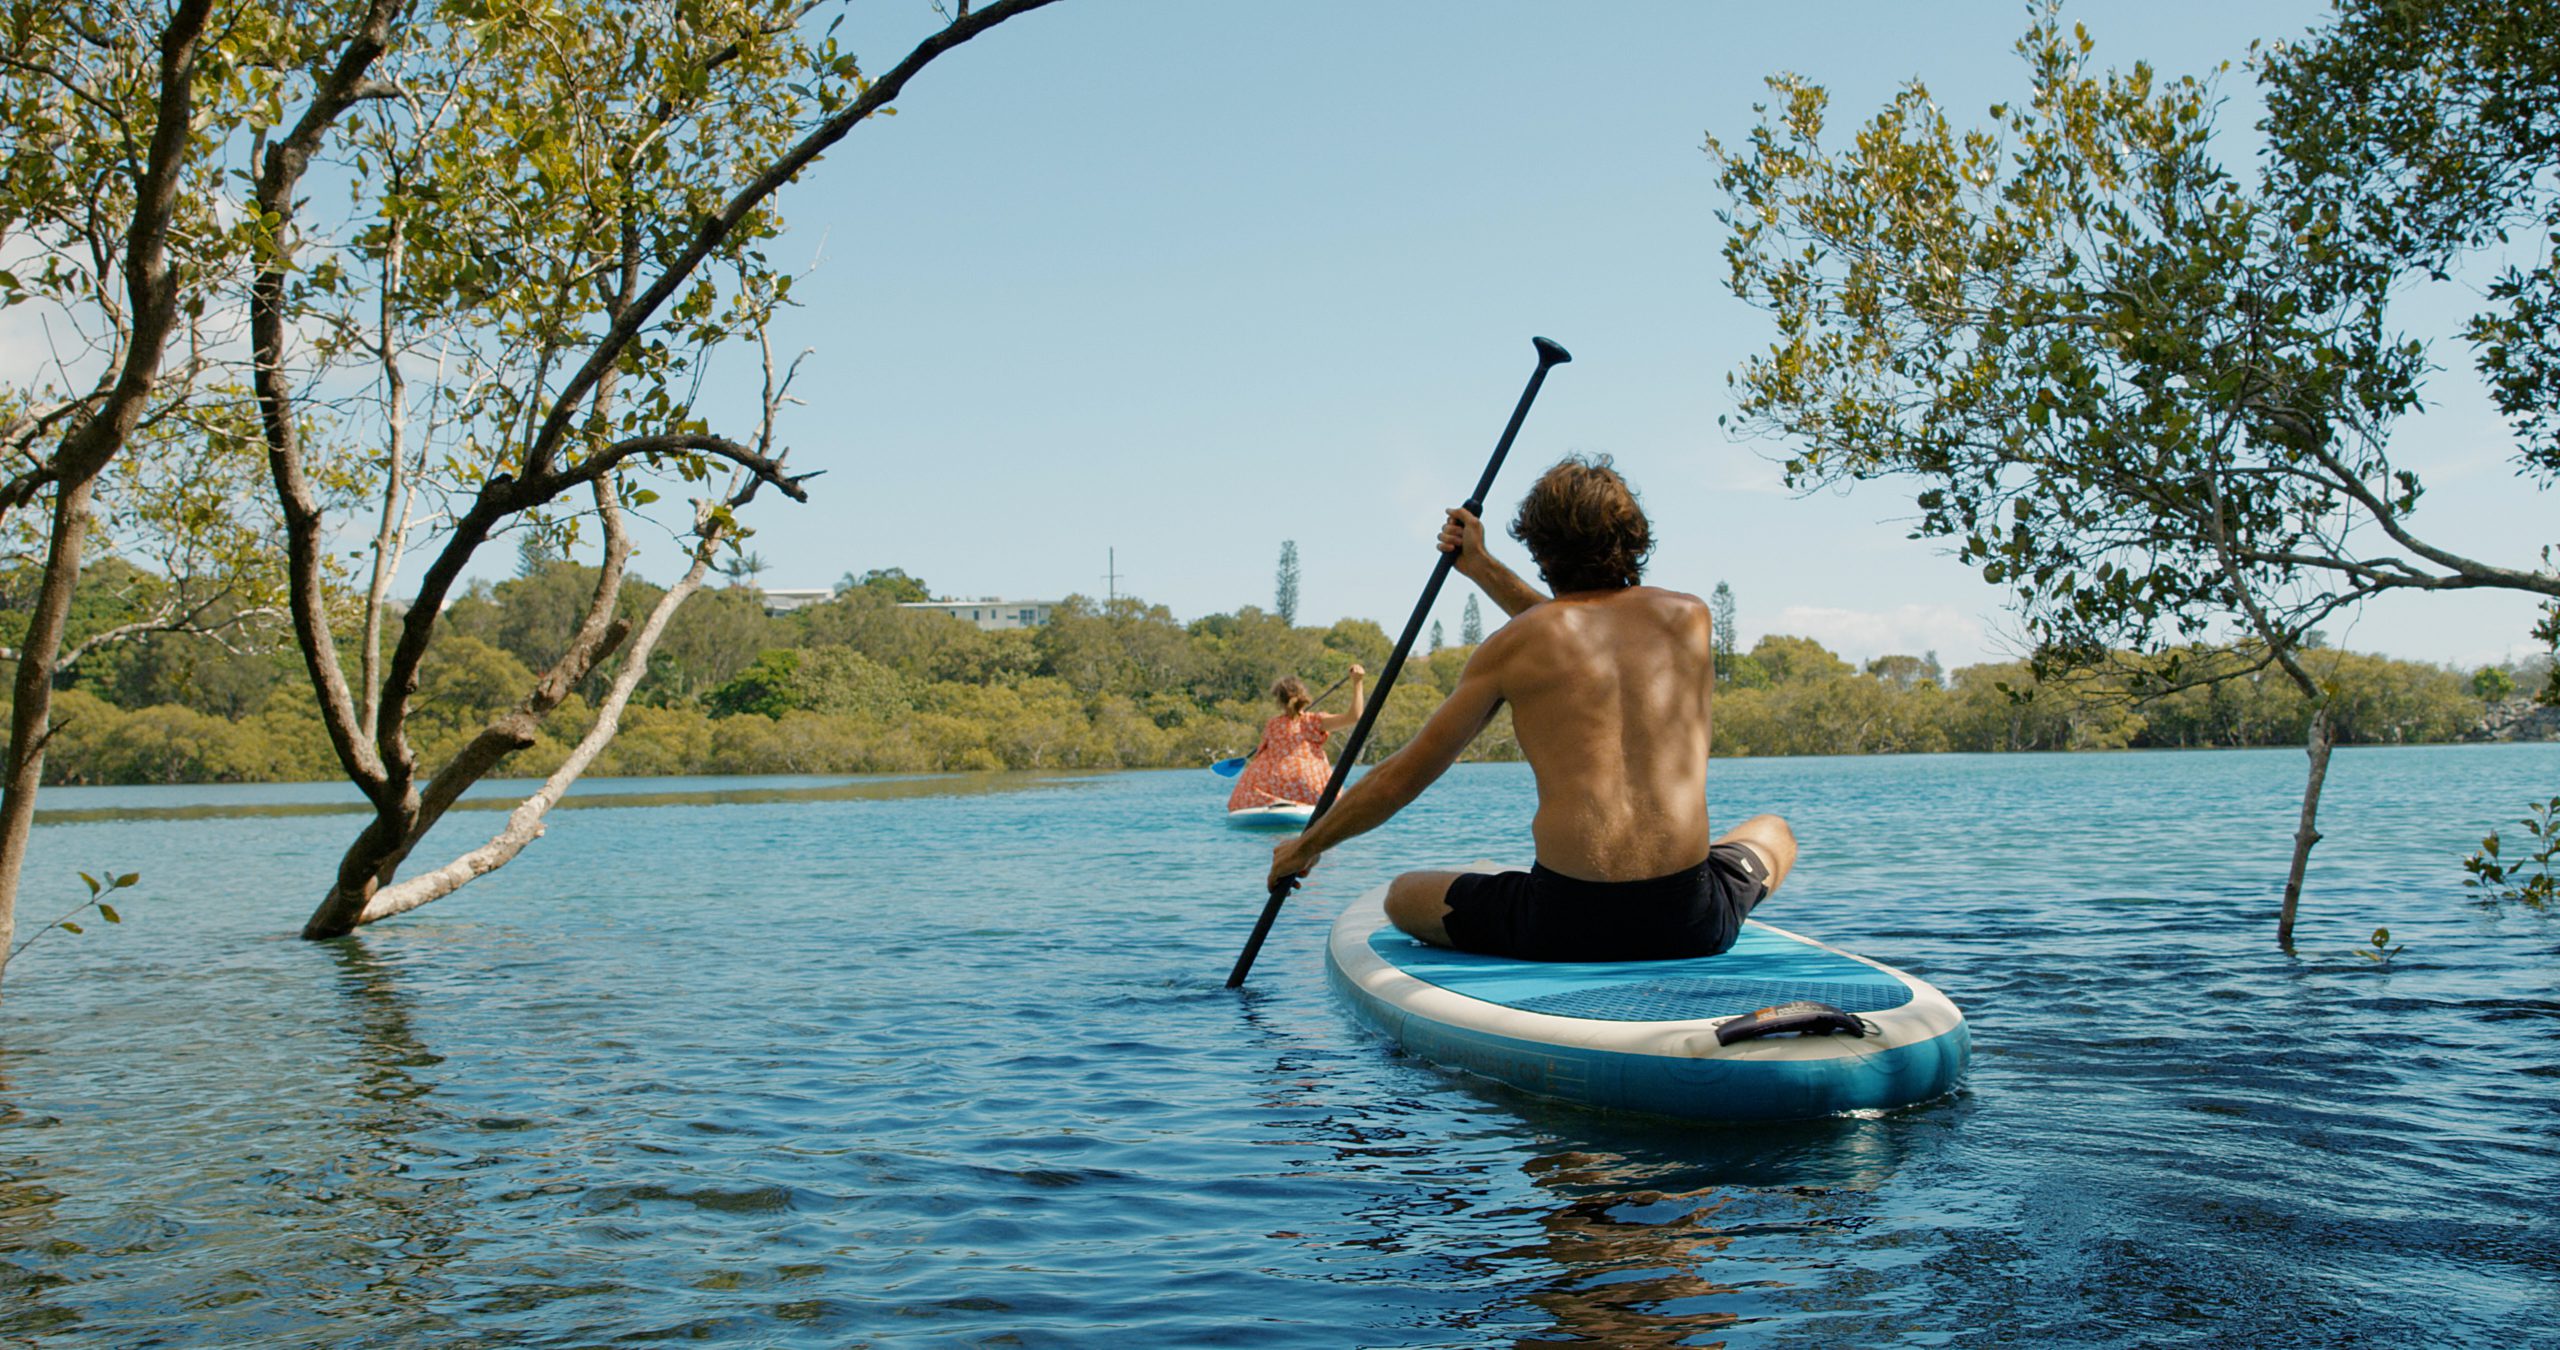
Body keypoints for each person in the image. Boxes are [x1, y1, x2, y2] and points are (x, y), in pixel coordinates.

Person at [1266, 455, 1797, 961]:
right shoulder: (1690, 619)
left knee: (1402, 896)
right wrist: (1482, 568)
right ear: (1634, 539)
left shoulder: (1513, 647)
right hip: (1691, 920)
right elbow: (1590, 634)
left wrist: (1307, 846)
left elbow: (1402, 779)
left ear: (1541, 549)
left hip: (1565, 922)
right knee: (1774, 832)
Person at [1227, 665, 1367, 811]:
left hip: (1272, 787)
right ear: (1303, 696)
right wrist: (1358, 682)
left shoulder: (1273, 724)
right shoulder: (1314, 721)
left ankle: (1278, 803)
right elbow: (1354, 717)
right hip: (1310, 786)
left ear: (1279, 701)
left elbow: (1260, 752)